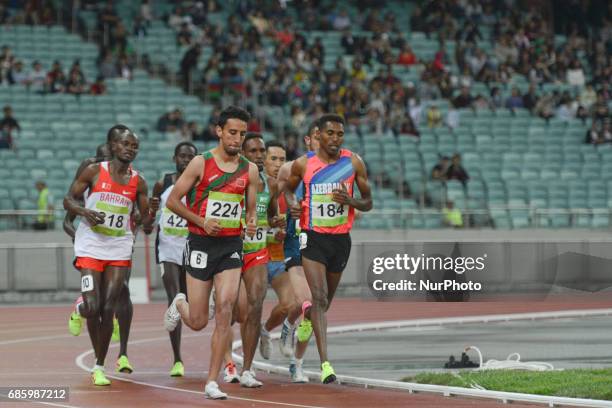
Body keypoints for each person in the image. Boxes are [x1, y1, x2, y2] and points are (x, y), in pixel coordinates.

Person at [163, 106, 259, 400]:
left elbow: (251, 209)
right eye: (232, 132)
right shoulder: (200, 163)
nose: (237, 139)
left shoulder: (250, 170)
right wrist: (202, 221)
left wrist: (252, 222)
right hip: (201, 244)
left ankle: (211, 381)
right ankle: (180, 304)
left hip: (230, 246)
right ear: (219, 131)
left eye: (242, 134)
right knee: (198, 321)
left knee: (226, 308)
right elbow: (174, 202)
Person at [284, 114, 372, 383]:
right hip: (312, 237)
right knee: (319, 296)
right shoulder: (303, 164)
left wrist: (352, 201)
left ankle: (304, 319)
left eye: (340, 134)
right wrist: (292, 203)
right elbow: (287, 190)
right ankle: (326, 366)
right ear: (318, 135)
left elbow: (368, 202)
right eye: (330, 133)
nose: (335, 139)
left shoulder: (353, 162)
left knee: (324, 304)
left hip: (340, 240)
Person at [64, 126, 154, 386]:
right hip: (91, 244)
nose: (130, 149)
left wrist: (152, 211)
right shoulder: (94, 172)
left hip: (118, 247)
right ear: (113, 146)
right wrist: (84, 212)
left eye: (134, 146)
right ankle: (79, 308)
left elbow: (144, 220)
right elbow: (68, 200)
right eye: (125, 144)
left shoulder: (140, 181)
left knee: (108, 307)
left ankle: (99, 365)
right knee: (93, 307)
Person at [276, 121, 320, 383]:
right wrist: (291, 206)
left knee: (312, 311)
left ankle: (298, 360)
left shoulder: (336, 171)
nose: (322, 142)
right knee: (308, 304)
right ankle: (297, 362)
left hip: (322, 243)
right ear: (307, 140)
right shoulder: (291, 168)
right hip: (295, 240)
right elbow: (280, 193)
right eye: (317, 137)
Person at [149, 142, 198, 377]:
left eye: (191, 156)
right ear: (174, 158)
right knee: (174, 298)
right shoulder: (164, 183)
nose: (186, 160)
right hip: (167, 248)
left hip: (190, 248)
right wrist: (150, 210)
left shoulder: (200, 185)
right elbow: (149, 220)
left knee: (188, 301)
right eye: (182, 156)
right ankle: (177, 359)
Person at [259, 141, 292, 361]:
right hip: (256, 256)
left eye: (282, 159)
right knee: (245, 311)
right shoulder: (258, 185)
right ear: (263, 161)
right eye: (273, 159)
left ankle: (266, 329)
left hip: (279, 256)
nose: (278, 164)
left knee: (290, 304)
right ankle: (236, 364)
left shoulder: (289, 187)